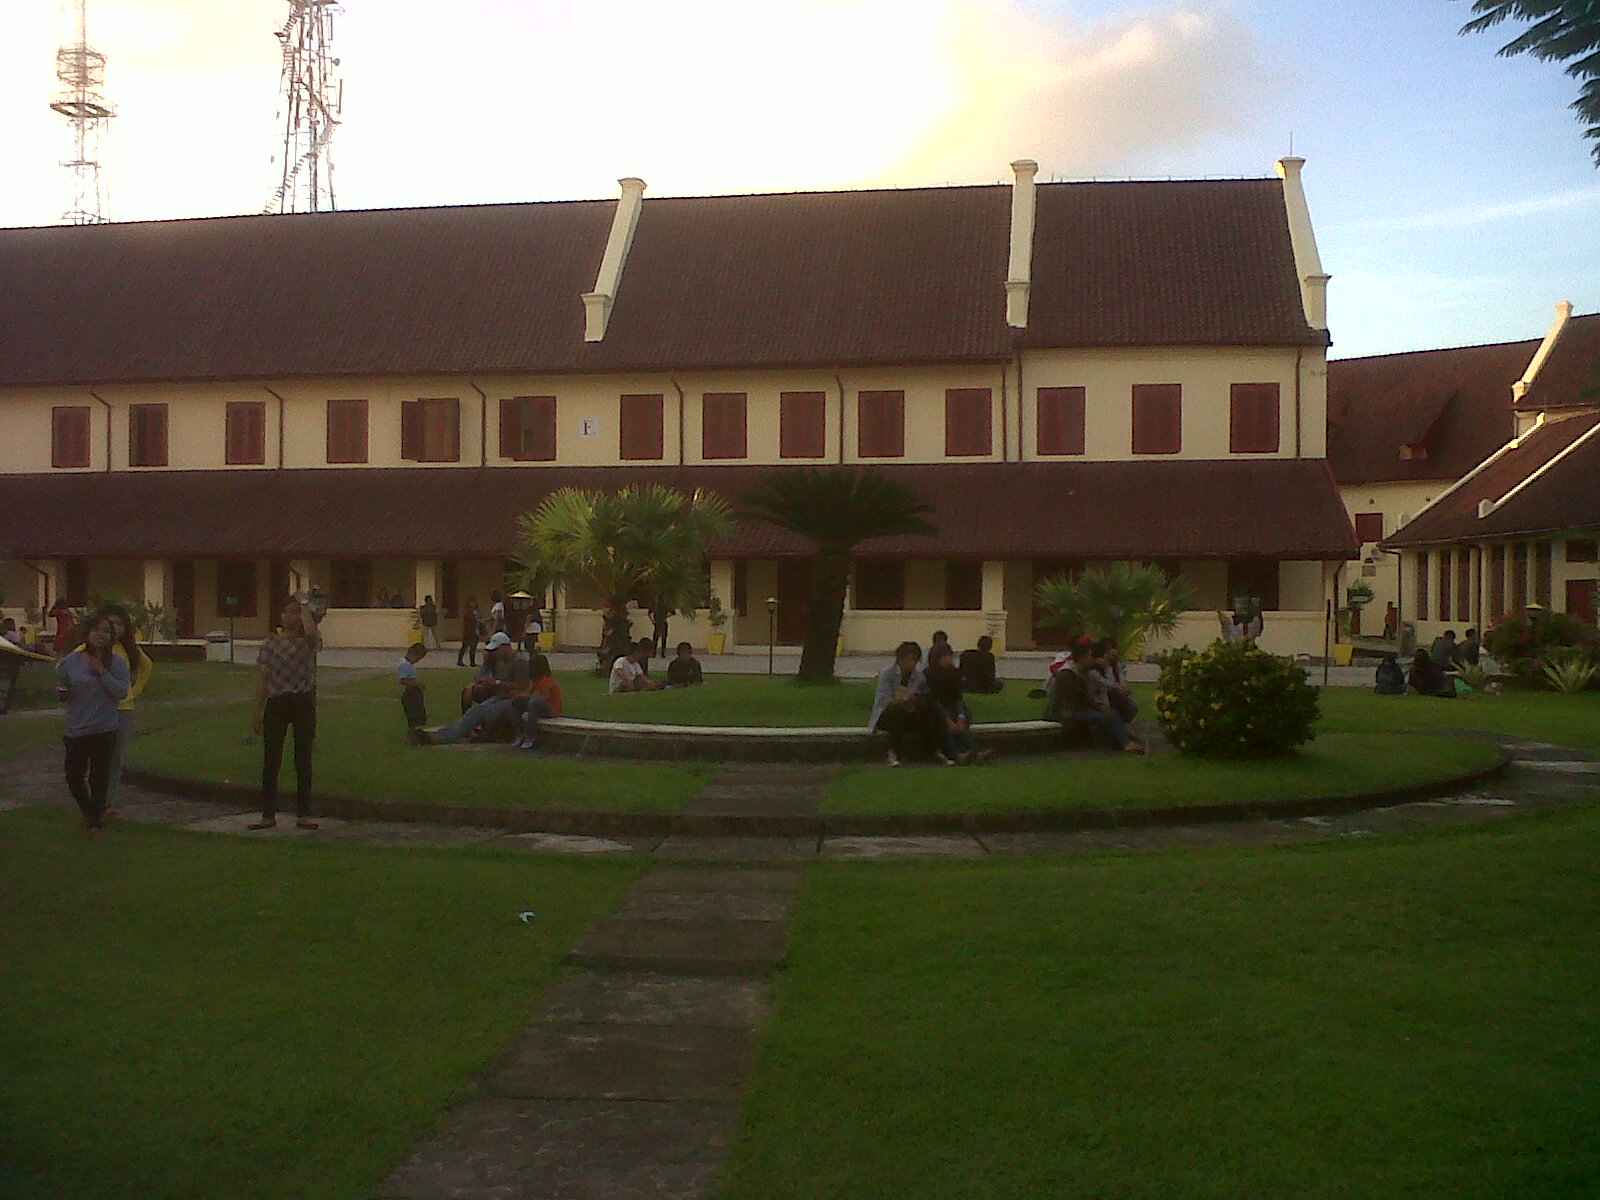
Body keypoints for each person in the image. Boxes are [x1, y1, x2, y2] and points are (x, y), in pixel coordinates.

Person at [249, 593, 323, 830]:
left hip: (302, 701)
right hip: (277, 702)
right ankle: (268, 814)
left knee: (303, 758)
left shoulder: (308, 642)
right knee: (271, 759)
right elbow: (263, 678)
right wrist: (257, 711)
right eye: (287, 611)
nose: (290, 616)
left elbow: (312, 633)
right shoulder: (270, 642)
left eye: (295, 612)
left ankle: (304, 813)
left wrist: (304, 608)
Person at [56, 611, 130, 835]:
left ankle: (95, 823)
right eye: (96, 630)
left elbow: (120, 692)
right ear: (87, 632)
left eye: (106, 631)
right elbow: (63, 686)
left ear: (112, 637)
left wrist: (102, 672)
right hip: (76, 728)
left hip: (104, 728)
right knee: (74, 776)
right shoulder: (71, 662)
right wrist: (62, 694)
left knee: (99, 778)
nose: (100, 635)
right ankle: (91, 813)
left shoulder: (116, 663)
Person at [87, 604, 153, 817]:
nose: (115, 628)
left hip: (123, 710)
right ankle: (93, 800)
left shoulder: (129, 651)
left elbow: (147, 666)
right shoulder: (94, 647)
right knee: (97, 756)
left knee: (116, 758)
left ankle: (107, 804)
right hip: (98, 709)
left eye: (119, 624)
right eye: (110, 624)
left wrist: (135, 690)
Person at [418, 655, 528, 745]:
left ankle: (443, 738)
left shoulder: (519, 664)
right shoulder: (497, 662)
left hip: (512, 702)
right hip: (502, 697)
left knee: (479, 712)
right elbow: (482, 678)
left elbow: (523, 688)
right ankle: (443, 734)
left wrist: (500, 685)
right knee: (475, 710)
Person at [869, 641, 936, 767]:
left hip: (909, 712)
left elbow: (923, 695)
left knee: (930, 710)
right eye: (909, 659)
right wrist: (901, 700)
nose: (912, 664)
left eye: (915, 660)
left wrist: (916, 701)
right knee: (897, 712)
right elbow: (883, 700)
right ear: (900, 659)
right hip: (886, 713)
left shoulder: (919, 677)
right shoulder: (887, 674)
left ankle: (931, 751)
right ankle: (893, 752)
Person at [926, 645, 988, 765]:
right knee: (945, 724)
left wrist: (961, 716)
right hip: (937, 709)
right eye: (946, 656)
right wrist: (948, 720)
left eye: (950, 656)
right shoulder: (929, 674)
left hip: (953, 706)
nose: (949, 659)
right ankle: (956, 754)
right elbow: (933, 700)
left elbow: (958, 697)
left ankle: (974, 751)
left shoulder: (954, 673)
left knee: (962, 721)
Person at [514, 653, 565, 751]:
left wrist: (528, 697)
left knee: (534, 702)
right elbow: (529, 694)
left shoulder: (547, 681)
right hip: (538, 709)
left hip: (552, 710)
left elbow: (543, 697)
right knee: (518, 702)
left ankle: (530, 737)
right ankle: (520, 734)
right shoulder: (535, 681)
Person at [398, 642, 428, 730]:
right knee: (414, 716)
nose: (417, 661)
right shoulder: (405, 665)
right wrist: (417, 684)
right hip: (411, 694)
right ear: (412, 654)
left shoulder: (409, 664)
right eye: (418, 658)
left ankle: (417, 733)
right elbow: (403, 680)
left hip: (414, 692)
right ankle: (414, 735)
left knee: (419, 715)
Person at [458, 596, 480, 667]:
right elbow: (470, 621)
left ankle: (472, 662)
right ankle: (460, 660)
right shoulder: (468, 612)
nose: (473, 604)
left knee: (473, 647)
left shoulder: (476, 611)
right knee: (465, 646)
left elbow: (478, 621)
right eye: (472, 602)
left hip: (475, 631)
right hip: (469, 632)